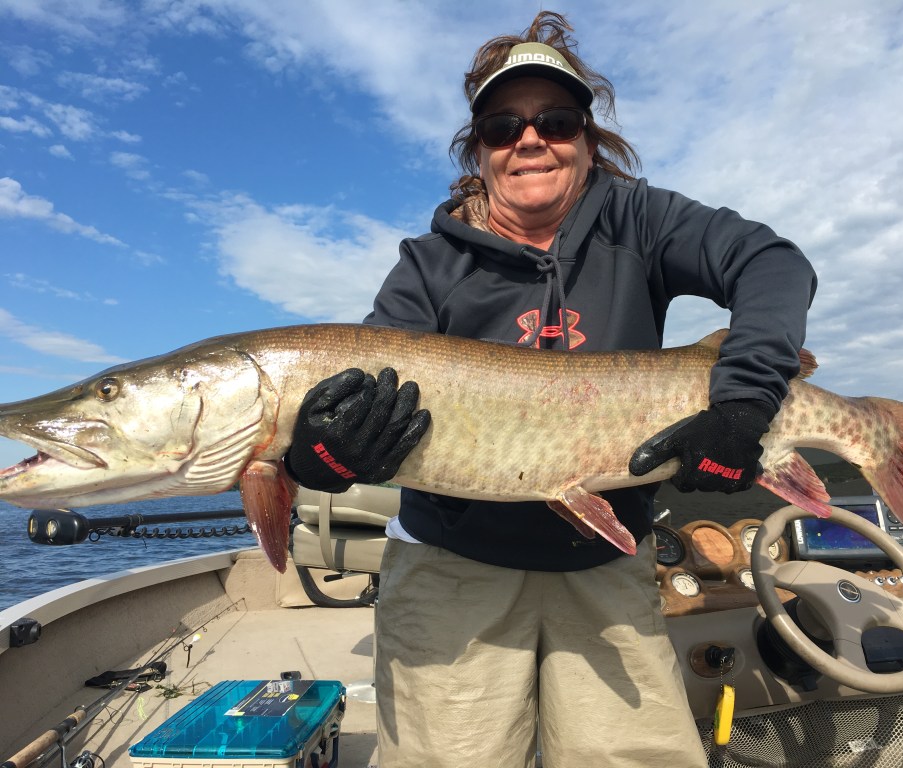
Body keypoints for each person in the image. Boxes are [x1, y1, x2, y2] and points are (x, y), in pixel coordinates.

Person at [284, 11, 816, 768]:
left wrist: (742, 407)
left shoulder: (641, 219)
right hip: (451, 564)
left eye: (555, 120)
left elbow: (772, 263)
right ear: (480, 151)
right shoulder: (428, 266)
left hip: (607, 562)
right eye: (503, 127)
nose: (529, 139)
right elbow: (367, 398)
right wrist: (324, 458)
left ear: (587, 140)